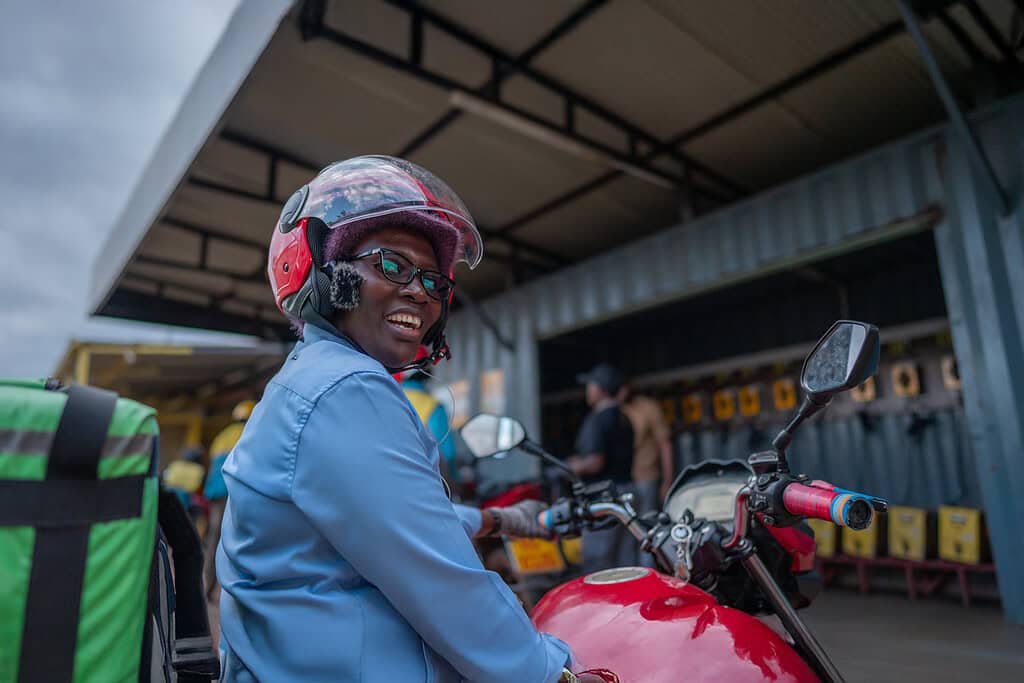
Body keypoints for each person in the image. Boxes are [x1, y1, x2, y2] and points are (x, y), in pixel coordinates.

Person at [217, 156, 595, 683]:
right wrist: (555, 673)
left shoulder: (313, 379)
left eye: (435, 282)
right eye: (391, 265)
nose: (420, 291)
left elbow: (392, 520)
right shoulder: (347, 389)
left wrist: (498, 519)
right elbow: (444, 585)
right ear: (329, 276)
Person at [566, 363, 635, 573]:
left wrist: (571, 466)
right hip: (626, 493)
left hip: (602, 499)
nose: (588, 389)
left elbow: (595, 462)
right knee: (625, 562)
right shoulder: (624, 417)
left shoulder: (598, 419)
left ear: (602, 389)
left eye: (591, 385)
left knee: (599, 564)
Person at [201, 399, 254, 600]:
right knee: (240, 539)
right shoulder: (251, 432)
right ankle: (233, 592)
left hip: (216, 493)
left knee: (215, 537)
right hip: (235, 491)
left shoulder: (223, 434)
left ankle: (208, 585)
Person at [619, 383, 674, 566]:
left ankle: (647, 577)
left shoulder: (647, 407)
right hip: (622, 482)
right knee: (625, 537)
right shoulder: (613, 411)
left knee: (647, 534)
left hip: (646, 478)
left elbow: (664, 443)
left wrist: (667, 480)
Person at [399, 349, 459, 487]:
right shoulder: (434, 407)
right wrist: (455, 483)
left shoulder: (388, 398)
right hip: (425, 486)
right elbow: (448, 453)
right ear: (427, 372)